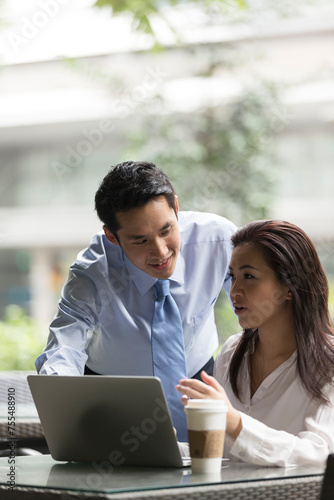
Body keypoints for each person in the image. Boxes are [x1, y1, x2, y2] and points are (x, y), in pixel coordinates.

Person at [35, 160, 237, 441]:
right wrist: (63, 406)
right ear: (112, 236)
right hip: (115, 394)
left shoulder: (217, 240)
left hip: (199, 376)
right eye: (140, 241)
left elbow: (257, 305)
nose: (160, 252)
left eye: (166, 230)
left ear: (176, 208)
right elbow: (64, 350)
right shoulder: (91, 274)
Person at [177, 219, 334, 466]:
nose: (234, 291)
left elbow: (318, 455)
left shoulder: (328, 362)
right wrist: (167, 448)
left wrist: (234, 422)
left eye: (249, 276)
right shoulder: (231, 352)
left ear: (289, 288)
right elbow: (223, 454)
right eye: (232, 276)